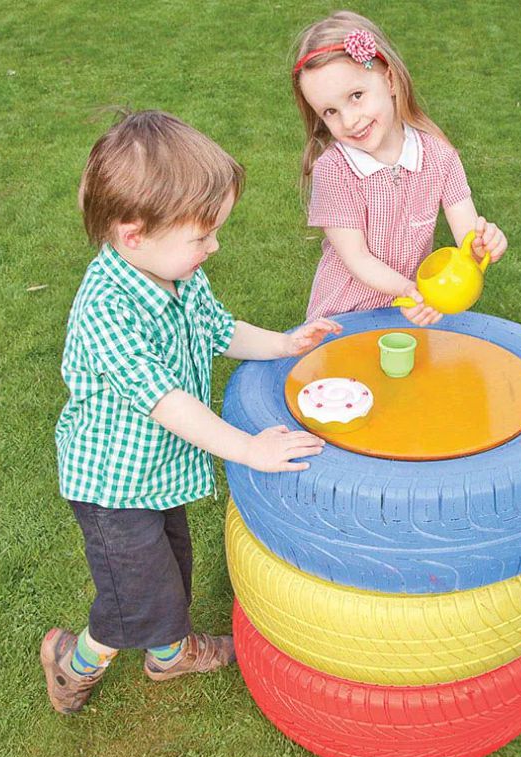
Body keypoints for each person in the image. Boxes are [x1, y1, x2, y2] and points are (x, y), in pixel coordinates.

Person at [42, 110, 340, 714]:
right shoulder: (106, 309)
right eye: (202, 236)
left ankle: (168, 654)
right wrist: (249, 448)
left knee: (172, 569)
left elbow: (218, 329)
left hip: (156, 471)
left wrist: (285, 343)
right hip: (112, 485)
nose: (214, 246)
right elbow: (167, 403)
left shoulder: (176, 274)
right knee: (132, 598)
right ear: (134, 235)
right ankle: (73, 666)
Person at [292, 11, 508, 326]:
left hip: (408, 312)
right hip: (344, 318)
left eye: (356, 96)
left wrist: (482, 245)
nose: (349, 121)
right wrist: (411, 290)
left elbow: (468, 242)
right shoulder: (334, 171)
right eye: (330, 111)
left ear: (390, 80)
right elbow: (357, 259)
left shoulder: (440, 156)